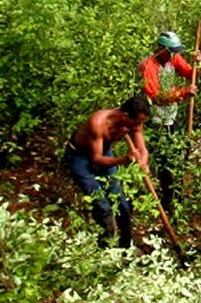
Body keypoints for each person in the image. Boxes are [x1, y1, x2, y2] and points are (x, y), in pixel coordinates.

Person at [64, 94, 151, 248]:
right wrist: (124, 160)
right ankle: (106, 245)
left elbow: (141, 147)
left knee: (121, 202)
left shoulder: (136, 121)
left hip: (105, 151)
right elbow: (96, 159)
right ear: (125, 116)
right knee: (101, 205)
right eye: (136, 122)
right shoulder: (98, 123)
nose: (137, 125)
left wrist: (143, 161)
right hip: (79, 156)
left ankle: (126, 245)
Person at [138, 32, 200, 215]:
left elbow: (192, 74)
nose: (174, 54)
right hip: (157, 121)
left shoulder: (173, 59)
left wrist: (198, 62)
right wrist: (182, 93)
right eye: (171, 51)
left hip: (172, 117)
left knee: (180, 156)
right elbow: (156, 96)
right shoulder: (148, 66)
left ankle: (179, 196)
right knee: (165, 163)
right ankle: (168, 201)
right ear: (161, 49)